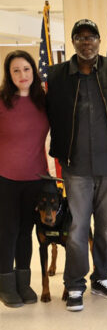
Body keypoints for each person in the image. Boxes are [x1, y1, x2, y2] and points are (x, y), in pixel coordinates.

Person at [46, 19, 107, 311]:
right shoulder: (57, 75)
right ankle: (74, 285)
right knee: (78, 227)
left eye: (92, 36)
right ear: (73, 43)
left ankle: (103, 278)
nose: (87, 42)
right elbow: (46, 112)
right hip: (76, 166)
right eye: (80, 37)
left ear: (98, 40)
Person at [0, 50, 48, 308]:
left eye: (26, 69)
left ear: (34, 71)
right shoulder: (1, 101)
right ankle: (6, 285)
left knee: (26, 232)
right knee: (7, 231)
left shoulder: (43, 101)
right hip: (5, 178)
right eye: (16, 70)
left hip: (35, 177)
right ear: (9, 74)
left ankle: (23, 283)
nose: (22, 75)